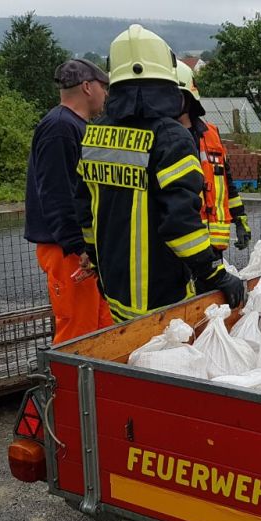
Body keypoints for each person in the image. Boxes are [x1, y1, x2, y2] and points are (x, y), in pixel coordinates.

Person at [74, 24, 245, 323]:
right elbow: (181, 224)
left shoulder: (94, 134)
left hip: (114, 291)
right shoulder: (170, 137)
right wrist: (214, 274)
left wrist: (98, 263)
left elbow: (86, 212)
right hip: (162, 301)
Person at [24, 58, 113, 344]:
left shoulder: (71, 125)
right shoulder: (60, 127)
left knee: (102, 326)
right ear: (87, 87)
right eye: (103, 87)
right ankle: (68, 375)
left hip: (79, 247)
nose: (106, 94)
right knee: (77, 331)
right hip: (68, 250)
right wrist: (78, 245)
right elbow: (56, 192)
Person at [173, 60, 252, 256]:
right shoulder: (162, 138)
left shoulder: (211, 135)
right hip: (180, 247)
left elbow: (227, 183)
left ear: (188, 97)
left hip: (213, 245)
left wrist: (240, 220)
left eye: (174, 94)